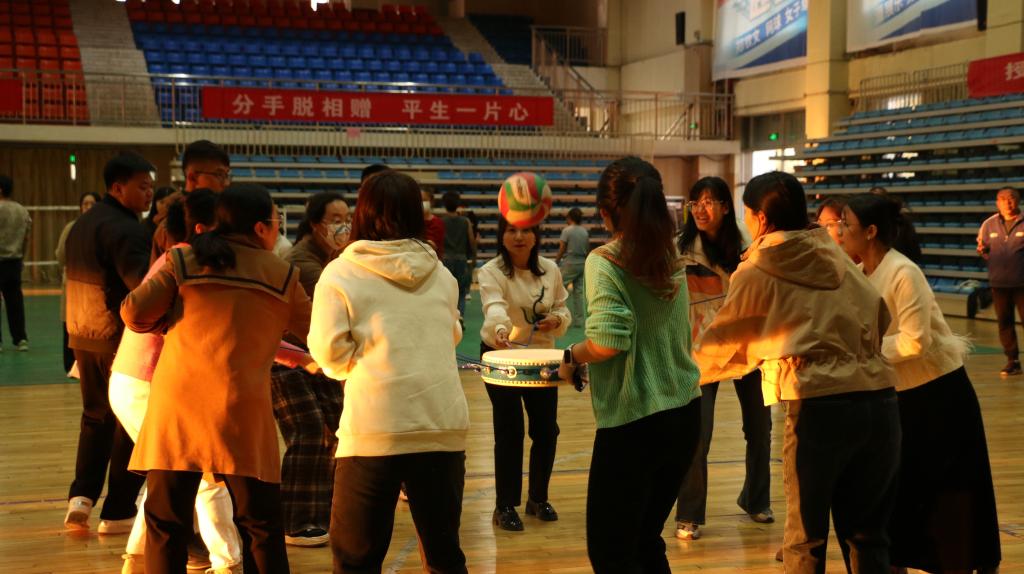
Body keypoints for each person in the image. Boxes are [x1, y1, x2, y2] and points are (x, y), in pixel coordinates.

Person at [693, 171, 900, 573]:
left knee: (805, 541)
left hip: (818, 407)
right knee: (869, 537)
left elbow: (725, 345)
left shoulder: (757, 268)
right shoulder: (834, 253)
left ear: (760, 219)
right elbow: (880, 314)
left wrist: (679, 372)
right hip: (880, 400)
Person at [122, 184, 310, 574]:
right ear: (261, 228)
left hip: (177, 407)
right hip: (240, 409)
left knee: (166, 522)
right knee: (261, 526)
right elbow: (319, 335)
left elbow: (133, 313)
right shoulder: (282, 274)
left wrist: (165, 320)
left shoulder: (184, 260)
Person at [307, 170, 469, 574]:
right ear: (417, 213)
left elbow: (328, 354)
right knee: (445, 558)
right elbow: (451, 335)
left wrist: (363, 364)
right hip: (442, 424)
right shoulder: (442, 274)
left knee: (355, 562)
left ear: (362, 212)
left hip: (373, 429)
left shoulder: (340, 273)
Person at [843, 193, 1001, 574]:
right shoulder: (861, 272)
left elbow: (915, 341)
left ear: (870, 231)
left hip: (940, 396)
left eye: (845, 224)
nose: (840, 232)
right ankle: (898, 561)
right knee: (902, 490)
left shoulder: (903, 272)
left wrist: (863, 350)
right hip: (898, 395)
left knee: (949, 496)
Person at [557, 157, 701, 573]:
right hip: (685, 413)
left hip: (635, 424)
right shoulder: (671, 254)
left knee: (612, 554)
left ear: (605, 212)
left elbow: (608, 341)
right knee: (644, 542)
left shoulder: (605, 260)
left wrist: (571, 356)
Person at [109, 190, 244, 574]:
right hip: (148, 384)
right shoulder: (189, 261)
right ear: (203, 228)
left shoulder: (179, 256)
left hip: (132, 381)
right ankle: (228, 562)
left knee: (168, 475)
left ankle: (137, 558)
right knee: (204, 473)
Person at [673, 177, 773, 541]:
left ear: (726, 207)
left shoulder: (751, 245)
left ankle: (757, 500)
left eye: (709, 201)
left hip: (749, 346)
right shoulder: (681, 248)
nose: (700, 209)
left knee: (760, 429)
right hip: (702, 349)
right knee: (697, 434)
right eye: (695, 202)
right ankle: (689, 514)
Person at [63, 152, 154, 532]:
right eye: (142, 186)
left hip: (82, 333)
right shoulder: (126, 229)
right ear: (118, 188)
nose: (149, 193)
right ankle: (117, 510)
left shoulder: (83, 223)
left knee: (94, 417)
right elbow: (142, 286)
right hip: (117, 336)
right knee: (127, 423)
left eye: (151, 186)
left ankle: (81, 498)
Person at [478, 216, 570, 531]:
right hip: (500, 355)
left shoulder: (550, 270)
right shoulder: (490, 271)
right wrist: (500, 330)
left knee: (546, 431)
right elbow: (494, 307)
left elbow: (562, 308)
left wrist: (556, 320)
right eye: (511, 230)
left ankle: (538, 498)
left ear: (536, 234)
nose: (519, 236)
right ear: (501, 235)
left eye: (526, 230)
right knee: (510, 430)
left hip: (541, 358)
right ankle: (504, 505)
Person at [273, 191, 349, 547]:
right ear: (316, 224)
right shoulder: (302, 260)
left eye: (347, 218)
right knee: (309, 432)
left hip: (318, 357)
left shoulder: (332, 255)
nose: (343, 226)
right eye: (335, 220)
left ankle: (325, 511)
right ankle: (297, 520)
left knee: (338, 426)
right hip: (286, 358)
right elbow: (338, 299)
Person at [151, 140, 231, 263]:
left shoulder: (223, 214)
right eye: (219, 175)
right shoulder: (170, 225)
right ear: (192, 177)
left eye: (226, 175)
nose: (226, 183)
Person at [977, 186, 1024, 376]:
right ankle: (1013, 361)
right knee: (1005, 323)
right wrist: (983, 251)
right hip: (999, 284)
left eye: (1011, 198)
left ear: (1018, 200)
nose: (1007, 202)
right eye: (1002, 199)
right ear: (997, 203)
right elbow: (983, 249)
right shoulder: (988, 224)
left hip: (1022, 284)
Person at [55, 192, 100, 371]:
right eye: (85, 204)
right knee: (70, 325)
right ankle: (70, 365)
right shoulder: (71, 227)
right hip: (73, 284)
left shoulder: (102, 227)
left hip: (96, 284)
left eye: (92, 204)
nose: (88, 207)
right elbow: (61, 254)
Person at [0, 174, 31, 352]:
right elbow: (26, 238)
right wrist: (21, 257)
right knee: (15, 302)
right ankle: (21, 339)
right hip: (14, 262)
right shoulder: (22, 211)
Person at [442, 190, 476, 318]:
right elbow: (472, 241)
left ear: (444, 204)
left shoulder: (441, 221)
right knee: (461, 291)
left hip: (445, 259)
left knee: (446, 291)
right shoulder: (465, 221)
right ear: (458, 204)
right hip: (461, 259)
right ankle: (460, 317)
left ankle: (448, 317)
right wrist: (473, 257)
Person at [555, 207, 589, 328]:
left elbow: (562, 248)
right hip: (582, 263)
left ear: (570, 218)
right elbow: (587, 248)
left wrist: (556, 261)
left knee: (559, 289)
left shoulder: (567, 230)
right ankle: (579, 321)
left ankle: (560, 316)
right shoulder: (584, 232)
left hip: (570, 262)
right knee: (578, 292)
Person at [422, 187, 445, 258]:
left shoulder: (438, 222)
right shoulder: (412, 222)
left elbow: (434, 246)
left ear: (431, 202)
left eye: (424, 200)